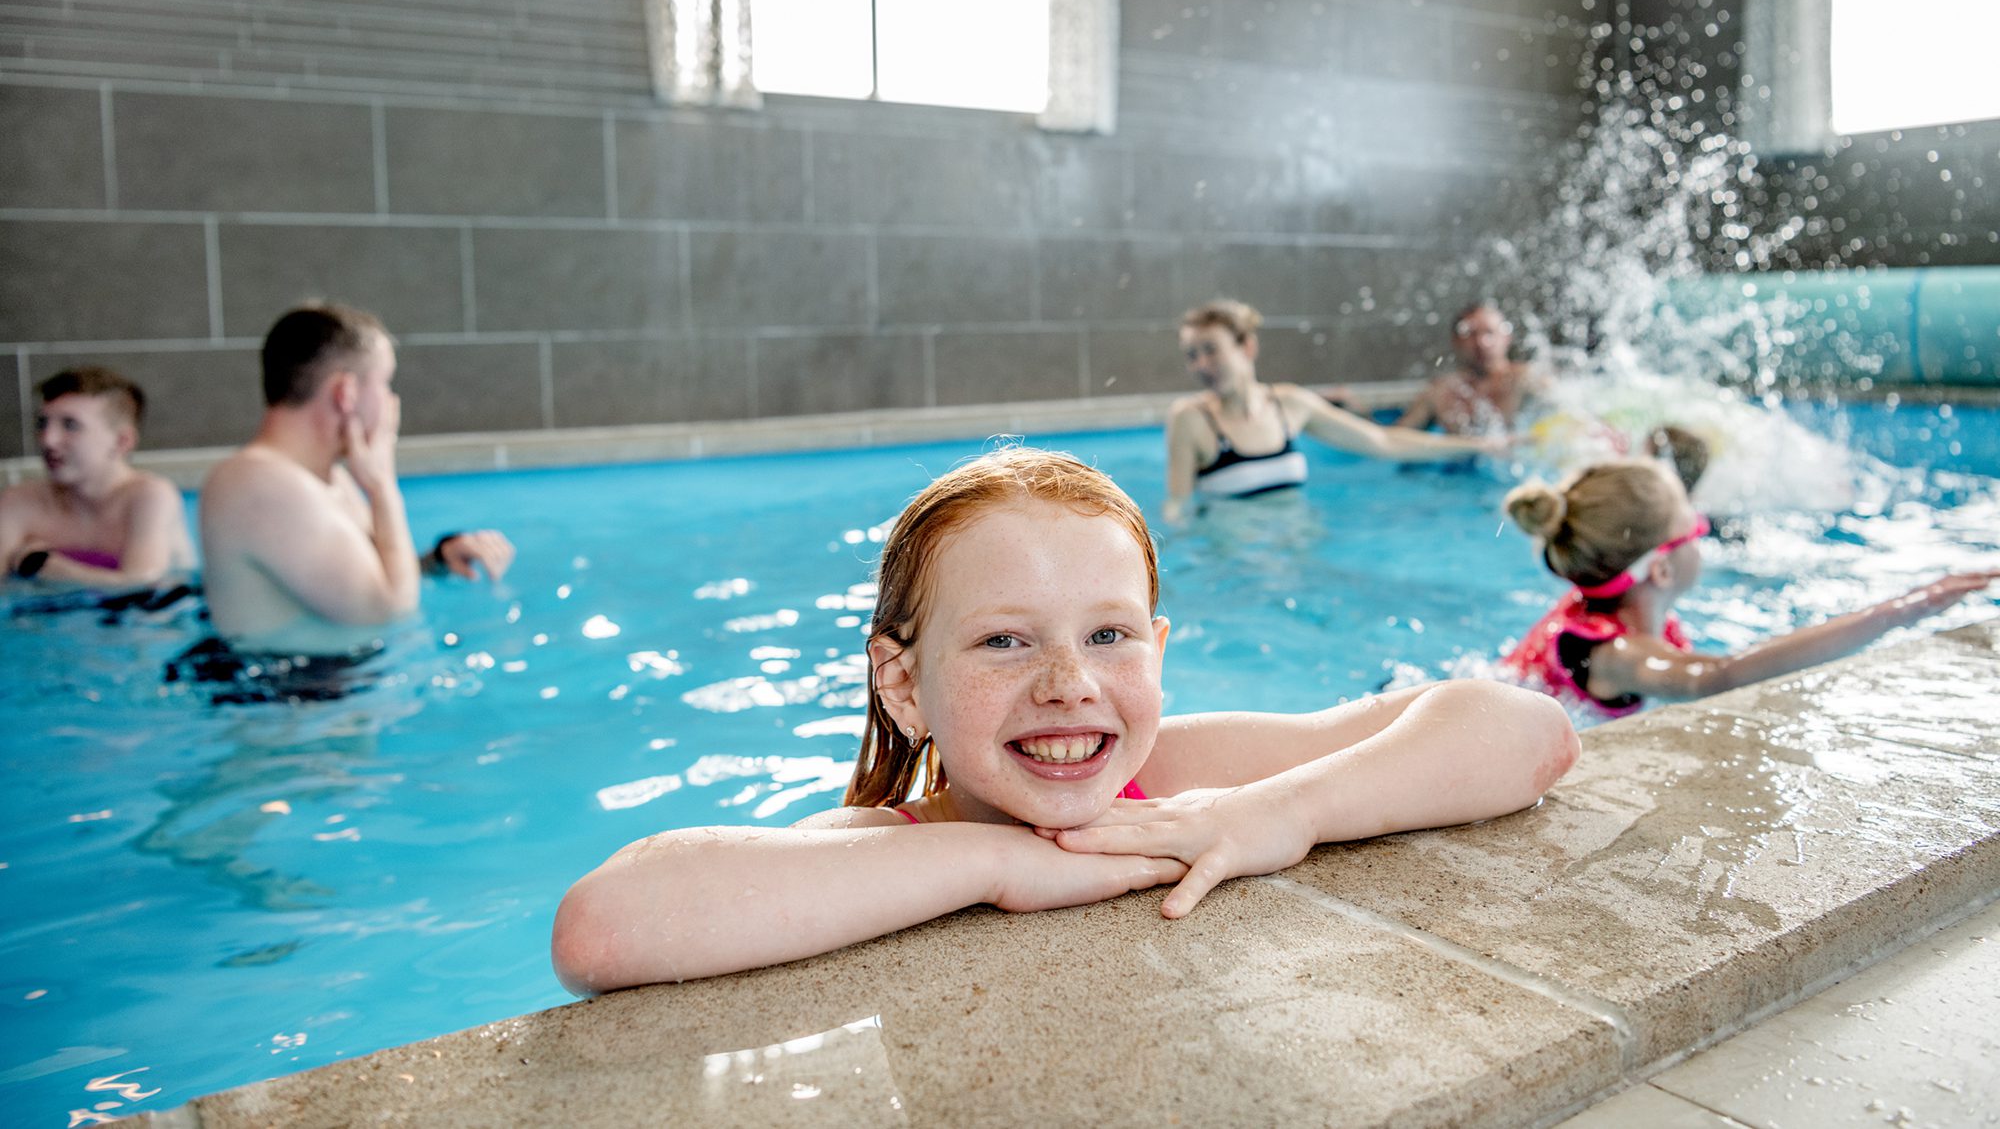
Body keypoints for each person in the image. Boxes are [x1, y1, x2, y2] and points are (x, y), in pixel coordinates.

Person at [551, 447, 1579, 992]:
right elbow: (603, 926)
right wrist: (994, 865)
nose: (1065, 684)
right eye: (1004, 641)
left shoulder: (1175, 779)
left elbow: (1528, 731)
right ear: (902, 685)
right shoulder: (892, 841)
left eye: (1107, 636)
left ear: (1157, 653)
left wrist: (1283, 810)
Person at [1501, 459, 1996, 721]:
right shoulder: (1618, 653)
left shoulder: (1614, 607)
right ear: (1662, 570)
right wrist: (1910, 607)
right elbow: (1716, 676)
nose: (1706, 534)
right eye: (1694, 527)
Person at [197, 304, 513, 658]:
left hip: (329, 690)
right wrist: (383, 487)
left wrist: (436, 561)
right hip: (291, 708)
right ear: (345, 392)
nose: (392, 402)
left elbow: (365, 577)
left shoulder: (324, 477)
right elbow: (392, 613)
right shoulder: (259, 482)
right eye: (384, 383)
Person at [1166, 299, 1503, 520]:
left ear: (1247, 347)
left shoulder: (1290, 404)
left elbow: (1383, 442)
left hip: (1297, 555)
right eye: (1191, 355)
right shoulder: (1191, 420)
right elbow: (1177, 508)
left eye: (1211, 350)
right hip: (1235, 569)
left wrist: (1480, 445)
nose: (1201, 365)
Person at [2, 367, 195, 587]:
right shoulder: (20, 503)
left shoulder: (149, 498)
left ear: (122, 441)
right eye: (42, 424)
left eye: (70, 425)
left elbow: (142, 591)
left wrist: (46, 566)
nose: (48, 440)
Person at [1397, 302, 1550, 437]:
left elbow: (1567, 416)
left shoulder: (1526, 379)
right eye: (1470, 334)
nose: (1481, 343)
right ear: (1455, 341)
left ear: (1506, 338)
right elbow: (1396, 438)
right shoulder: (1441, 391)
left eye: (1489, 332)